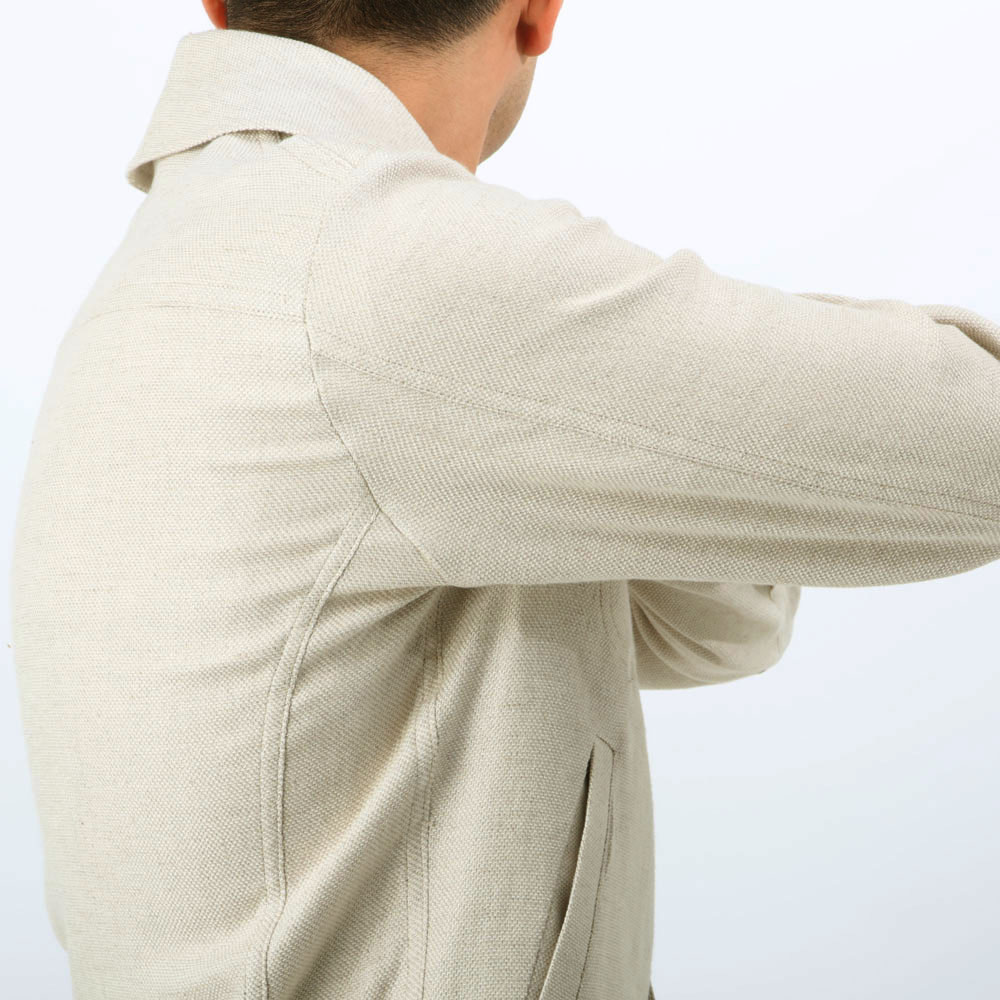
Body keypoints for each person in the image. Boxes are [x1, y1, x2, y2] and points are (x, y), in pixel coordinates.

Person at [8, 1, 1000, 998]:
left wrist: (651, 399)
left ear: (220, 3)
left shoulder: (189, 257)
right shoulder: (381, 262)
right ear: (536, 12)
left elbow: (713, 627)